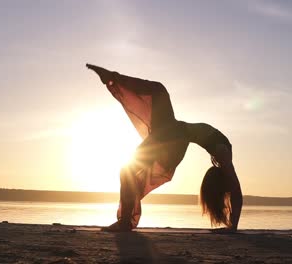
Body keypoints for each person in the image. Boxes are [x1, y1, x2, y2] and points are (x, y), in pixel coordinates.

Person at [86, 64, 243, 232]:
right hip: (174, 133)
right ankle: (113, 79)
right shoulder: (223, 153)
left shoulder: (223, 153)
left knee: (128, 170)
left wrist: (233, 227)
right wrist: (233, 226)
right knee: (128, 170)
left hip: (173, 135)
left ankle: (125, 221)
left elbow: (236, 191)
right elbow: (235, 190)